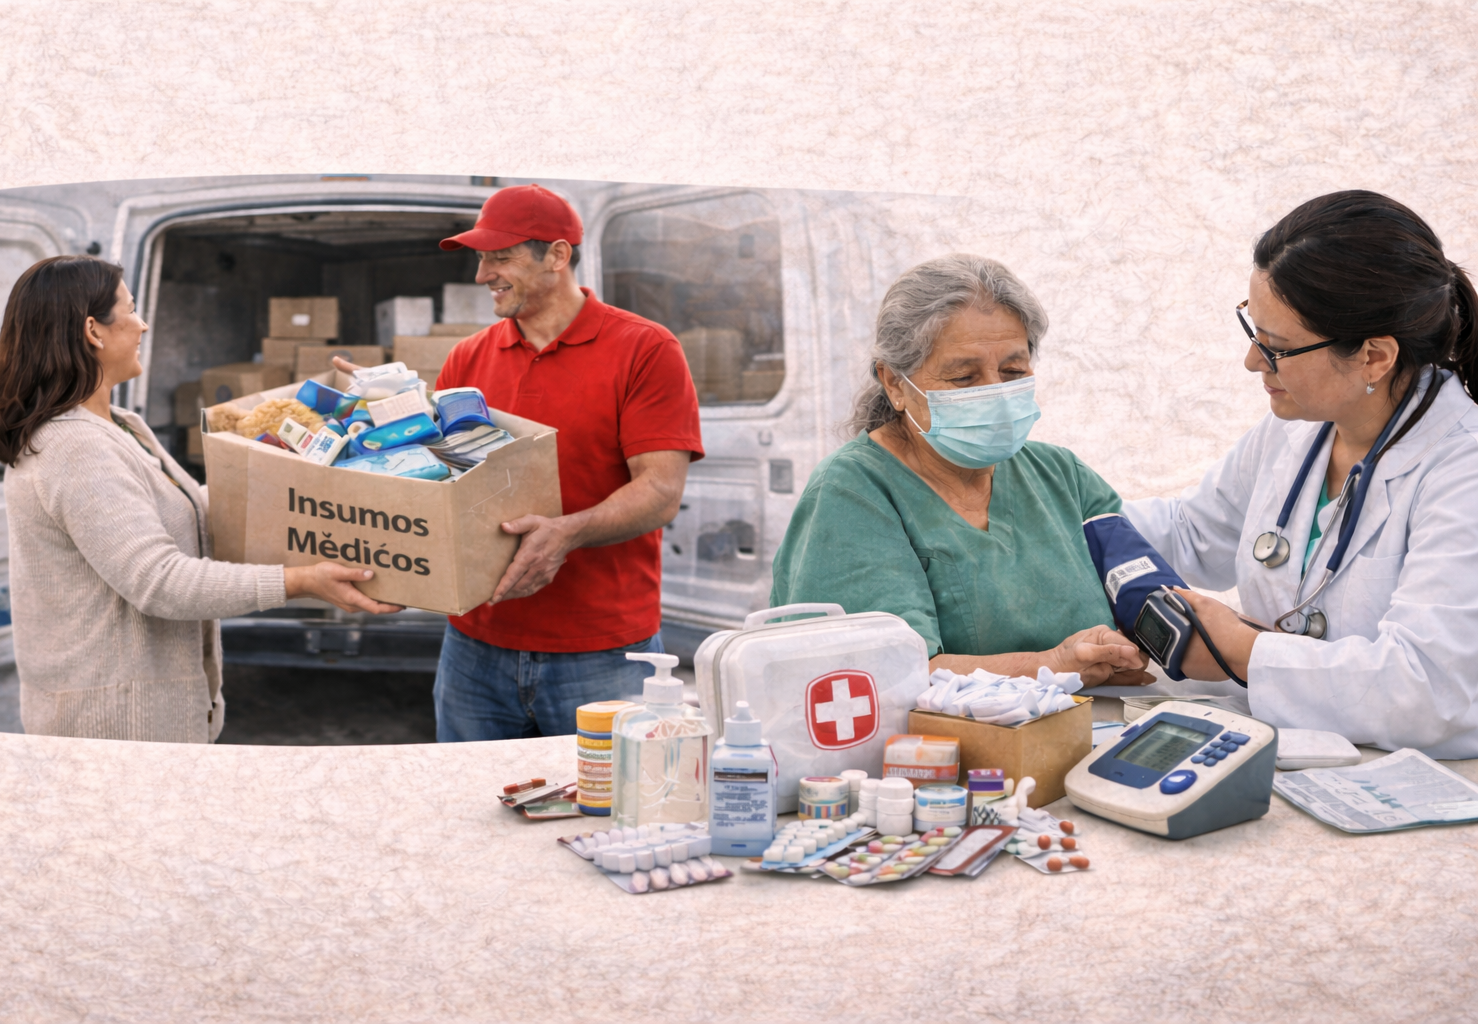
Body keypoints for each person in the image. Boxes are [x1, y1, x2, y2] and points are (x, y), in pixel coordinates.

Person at [0, 256, 401, 743]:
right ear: (93, 331)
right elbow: (159, 581)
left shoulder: (120, 425)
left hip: (149, 713)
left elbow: (181, 509)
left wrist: (296, 477)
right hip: (114, 725)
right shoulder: (74, 446)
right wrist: (301, 581)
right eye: (131, 310)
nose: (143, 324)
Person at [337, 184, 703, 741]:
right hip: (474, 648)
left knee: (602, 797)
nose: (483, 275)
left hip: (601, 650)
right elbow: (439, 480)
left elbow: (659, 491)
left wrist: (567, 532)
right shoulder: (468, 357)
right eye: (481, 259)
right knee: (474, 795)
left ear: (556, 255)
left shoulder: (645, 349)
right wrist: (383, 411)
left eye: (500, 257)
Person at [1124, 190, 1478, 757]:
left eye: (1277, 348)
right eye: (1253, 334)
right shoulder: (1300, 427)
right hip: (1289, 754)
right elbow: (1191, 533)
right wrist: (1059, 514)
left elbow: (1427, 688)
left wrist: (1241, 649)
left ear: (1374, 356)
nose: (1252, 362)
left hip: (1419, 777)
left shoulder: (1463, 469)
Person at [769, 253, 1149, 685]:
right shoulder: (853, 493)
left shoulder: (1061, 475)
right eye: (964, 378)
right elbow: (886, 674)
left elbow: (1151, 602)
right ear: (894, 383)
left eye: (1012, 370)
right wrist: (1054, 665)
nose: (996, 394)